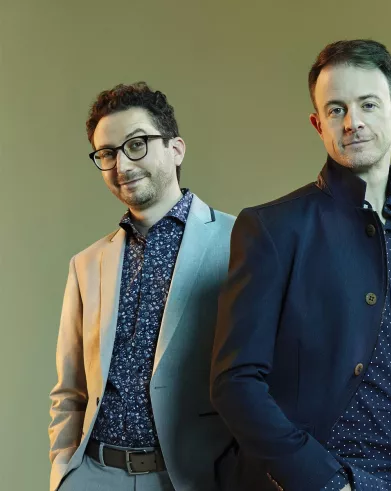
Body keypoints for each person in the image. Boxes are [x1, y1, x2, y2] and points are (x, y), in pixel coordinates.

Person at [210, 40, 391, 491]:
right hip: (333, 480)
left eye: (367, 104)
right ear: (318, 124)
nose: (352, 122)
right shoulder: (272, 228)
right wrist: (324, 481)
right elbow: (235, 382)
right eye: (336, 110)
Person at [49, 82, 235, 491]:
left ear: (176, 149)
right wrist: (64, 474)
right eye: (107, 153)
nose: (121, 165)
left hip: (192, 478)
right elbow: (69, 389)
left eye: (136, 145)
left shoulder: (239, 242)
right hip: (93, 475)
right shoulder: (86, 264)